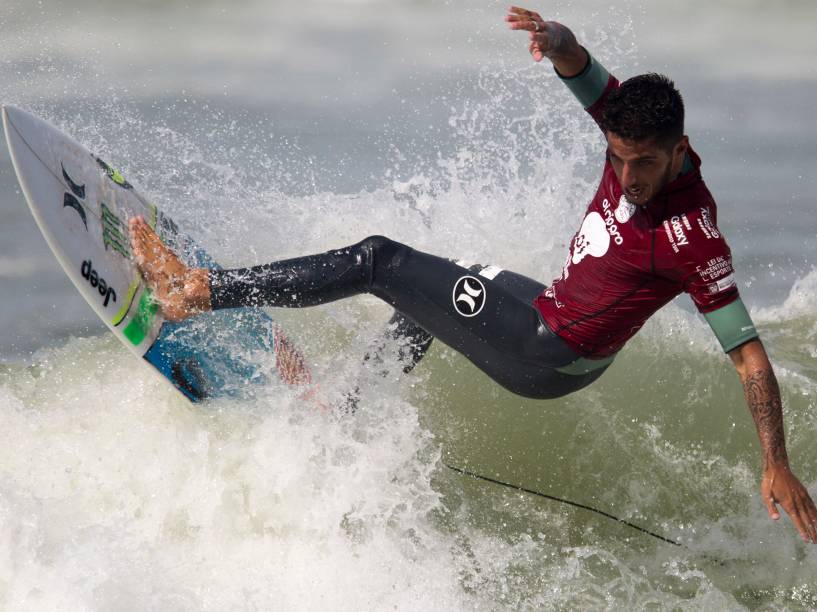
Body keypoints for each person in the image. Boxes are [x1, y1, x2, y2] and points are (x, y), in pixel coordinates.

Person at [127, 6, 817, 543]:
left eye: (642, 165)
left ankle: (197, 292)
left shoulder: (691, 235)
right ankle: (341, 416)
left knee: (380, 260)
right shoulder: (630, 126)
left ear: (679, 152)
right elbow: (581, 66)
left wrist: (775, 462)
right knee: (423, 299)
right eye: (617, 159)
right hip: (550, 307)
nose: (626, 176)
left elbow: (748, 356)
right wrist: (552, 38)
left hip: (549, 352)